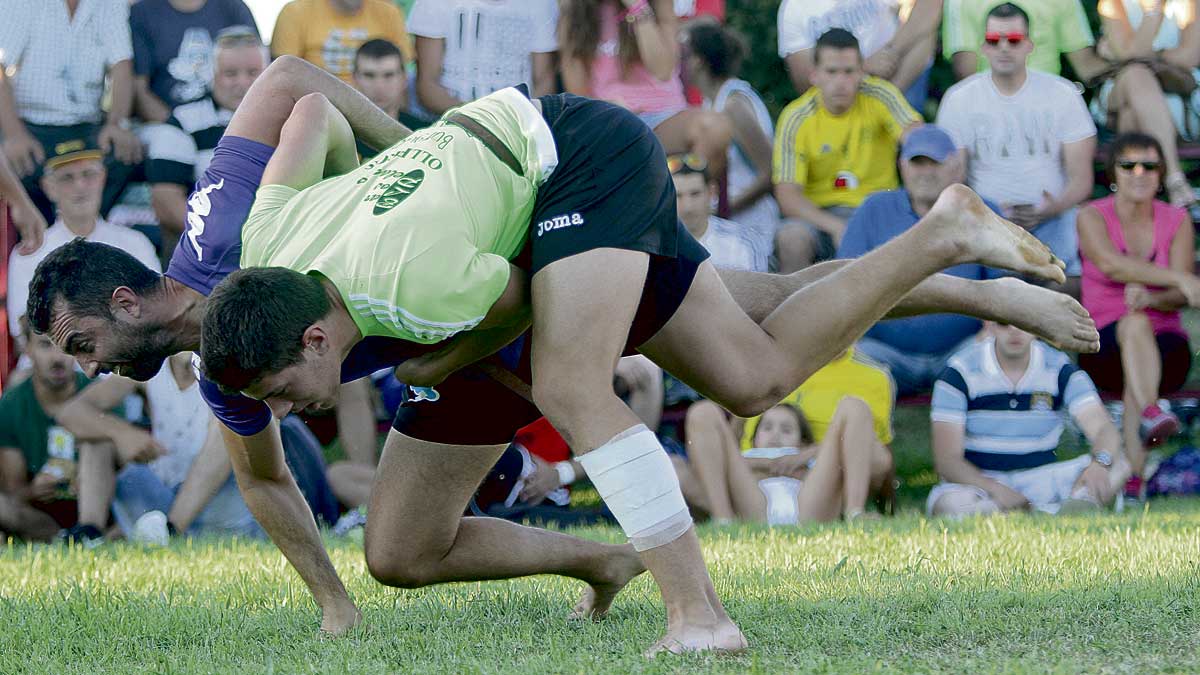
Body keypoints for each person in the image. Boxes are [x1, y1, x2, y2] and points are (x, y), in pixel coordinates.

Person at [29, 56, 1101, 652]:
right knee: (398, 549)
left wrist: (424, 168)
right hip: (454, 293)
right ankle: (602, 555)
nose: (76, 366)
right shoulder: (254, 300)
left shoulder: (257, 241)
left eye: (79, 343)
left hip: (546, 189)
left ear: (126, 296)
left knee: (711, 370)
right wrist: (332, 602)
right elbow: (264, 473)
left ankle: (699, 615)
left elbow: (300, 89)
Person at [936, 3, 1097, 293]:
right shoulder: (959, 98)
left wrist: (1052, 208)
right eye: (994, 41)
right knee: (998, 290)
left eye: (1013, 40)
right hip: (986, 222)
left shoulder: (1062, 94)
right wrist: (988, 213)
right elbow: (951, 179)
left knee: (1065, 280)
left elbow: (1081, 179)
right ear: (983, 46)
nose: (1004, 48)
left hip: (1054, 217)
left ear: (1029, 45)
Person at [1076, 132, 1200, 498]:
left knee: (1138, 335)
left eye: (1150, 165)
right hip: (1101, 344)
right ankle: (1143, 444)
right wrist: (1178, 277)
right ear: (1113, 172)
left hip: (1167, 348)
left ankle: (1135, 468)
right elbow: (1110, 265)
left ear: (1161, 174)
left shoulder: (1175, 220)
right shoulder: (1091, 216)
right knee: (1133, 329)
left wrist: (1150, 297)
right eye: (1128, 165)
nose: (1139, 173)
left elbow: (1179, 298)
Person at [838, 125, 1003, 396]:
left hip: (963, 351)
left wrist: (990, 334)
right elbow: (845, 281)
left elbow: (1004, 283)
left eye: (935, 163)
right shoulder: (873, 209)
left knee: (994, 349)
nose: (926, 172)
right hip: (884, 354)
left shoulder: (981, 211)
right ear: (902, 166)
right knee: (853, 357)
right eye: (917, 163)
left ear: (955, 166)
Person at [54, 352, 261, 542]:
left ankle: (170, 532)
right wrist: (122, 434)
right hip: (163, 496)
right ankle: (89, 534)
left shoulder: (225, 361)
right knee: (96, 438)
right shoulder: (151, 364)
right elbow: (71, 412)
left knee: (227, 431)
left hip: (222, 506)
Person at [929, 323, 1131, 516]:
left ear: (1037, 325)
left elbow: (1104, 429)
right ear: (989, 323)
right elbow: (948, 461)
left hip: (1043, 477)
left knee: (1119, 463)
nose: (1014, 331)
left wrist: (1099, 464)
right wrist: (995, 489)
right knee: (949, 504)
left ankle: (1072, 506)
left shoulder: (1060, 368)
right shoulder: (958, 372)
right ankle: (1058, 510)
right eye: (1004, 322)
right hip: (981, 482)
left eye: (1023, 323)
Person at [772, 28, 921, 272]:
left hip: (879, 209)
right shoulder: (795, 117)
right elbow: (788, 197)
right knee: (792, 238)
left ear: (862, 72)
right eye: (832, 72)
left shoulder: (880, 94)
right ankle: (796, 311)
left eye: (849, 72)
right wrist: (837, 227)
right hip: (822, 217)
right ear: (814, 75)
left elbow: (918, 142)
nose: (841, 81)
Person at [7, 137, 161, 346]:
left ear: (103, 178)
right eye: (67, 178)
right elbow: (23, 331)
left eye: (89, 174)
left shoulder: (135, 243)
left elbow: (156, 310)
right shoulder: (31, 251)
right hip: (57, 364)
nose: (80, 186)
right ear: (49, 187)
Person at [0, 0, 143, 224]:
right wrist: (13, 134)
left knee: (125, 151)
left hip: (86, 125)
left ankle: (89, 236)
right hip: (31, 125)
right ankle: (40, 239)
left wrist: (116, 123)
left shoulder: (109, 3)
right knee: (14, 163)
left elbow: (121, 65)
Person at [558, 0, 733, 177]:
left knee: (714, 128)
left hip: (663, 117)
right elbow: (578, 96)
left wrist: (637, 7)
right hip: (610, 120)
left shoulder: (658, 4)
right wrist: (609, 109)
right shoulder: (574, 11)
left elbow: (662, 70)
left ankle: (686, 196)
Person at [144, 26, 269, 266]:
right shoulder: (181, 121)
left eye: (252, 72)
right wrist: (218, 242)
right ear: (212, 74)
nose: (242, 83)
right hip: (209, 254)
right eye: (230, 73)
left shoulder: (290, 118)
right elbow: (165, 200)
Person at [0, 325, 118, 545]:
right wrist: (34, 490)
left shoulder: (99, 393)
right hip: (39, 515)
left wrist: (89, 479)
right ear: (27, 349)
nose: (57, 357)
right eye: (45, 345)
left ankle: (90, 534)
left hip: (102, 508)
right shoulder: (11, 405)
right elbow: (13, 491)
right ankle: (65, 539)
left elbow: (123, 465)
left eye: (65, 345)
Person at [683, 20, 779, 265]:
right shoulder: (708, 105)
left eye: (682, 55)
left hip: (752, 228)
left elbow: (772, 172)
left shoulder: (734, 104)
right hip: (726, 226)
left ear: (698, 61)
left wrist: (723, 210)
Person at [1090, 0, 1200, 207]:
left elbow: (1190, 57)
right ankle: (1174, 178)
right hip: (1120, 91)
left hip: (1175, 100)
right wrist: (1153, 13)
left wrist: (1138, 55)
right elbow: (1129, 57)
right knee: (1135, 74)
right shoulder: (1112, 3)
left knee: (1132, 114)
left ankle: (1136, 208)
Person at [777, 0, 943, 110]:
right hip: (842, 101)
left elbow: (930, 6)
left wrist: (891, 51)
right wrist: (862, 67)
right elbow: (804, 82)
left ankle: (888, 104)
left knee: (925, 36)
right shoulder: (794, 8)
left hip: (897, 76)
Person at [408, 0, 559, 116]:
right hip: (449, 123)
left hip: (521, 127)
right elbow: (427, 86)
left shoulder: (542, 4)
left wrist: (519, 122)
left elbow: (544, 82)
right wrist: (479, 120)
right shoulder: (434, 3)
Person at [129, 0, 259, 123]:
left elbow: (257, 73)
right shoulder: (142, 12)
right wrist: (175, 125)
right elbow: (139, 90)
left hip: (229, 117)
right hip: (167, 123)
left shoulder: (232, 7)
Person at [942, 0, 1108, 82]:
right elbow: (966, 76)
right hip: (988, 104)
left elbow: (1087, 68)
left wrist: (1125, 56)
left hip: (1049, 101)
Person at [270, 0, 414, 84]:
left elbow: (401, 80)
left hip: (376, 108)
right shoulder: (295, 12)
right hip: (316, 109)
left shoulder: (388, 13)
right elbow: (282, 79)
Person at [671, 153, 765, 272]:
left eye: (695, 194)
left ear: (712, 192)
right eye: (678, 196)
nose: (688, 207)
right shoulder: (652, 244)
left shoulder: (743, 241)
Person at [351, 39, 429, 138]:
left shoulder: (425, 135)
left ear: (404, 78)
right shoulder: (339, 135)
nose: (379, 86)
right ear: (355, 78)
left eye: (389, 75)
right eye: (369, 75)